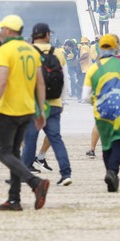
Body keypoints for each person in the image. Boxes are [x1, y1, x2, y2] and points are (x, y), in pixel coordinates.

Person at [0, 15, 50, 211]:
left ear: (9, 31)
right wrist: (40, 111)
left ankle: (35, 182)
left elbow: (2, 80)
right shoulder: (31, 50)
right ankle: (14, 199)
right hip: (27, 110)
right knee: (13, 153)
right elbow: (40, 82)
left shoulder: (5, 50)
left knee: (3, 153)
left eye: (2, 29)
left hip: (9, 109)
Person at [22, 23, 73, 186]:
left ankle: (25, 172)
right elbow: (65, 79)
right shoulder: (58, 52)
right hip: (54, 102)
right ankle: (66, 173)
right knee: (56, 138)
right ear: (46, 35)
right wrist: (63, 100)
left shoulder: (27, 52)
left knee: (30, 138)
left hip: (33, 103)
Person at [83, 34, 120, 192]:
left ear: (100, 47)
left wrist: (97, 103)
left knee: (106, 143)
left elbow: (85, 96)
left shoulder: (94, 68)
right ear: (116, 47)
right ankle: (112, 170)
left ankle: (110, 171)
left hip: (101, 110)